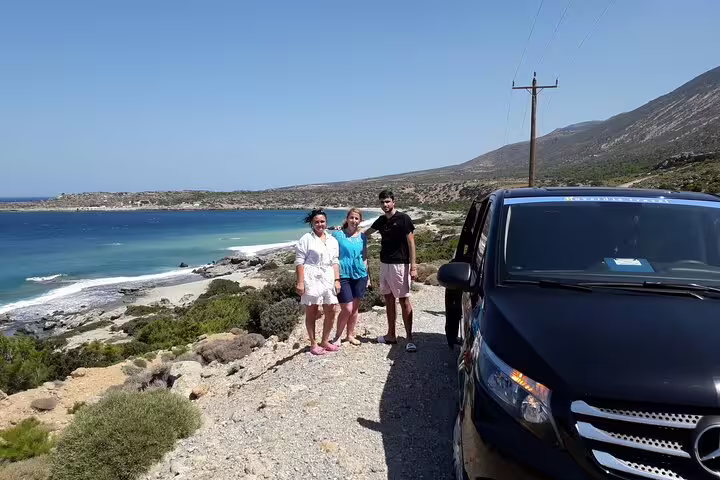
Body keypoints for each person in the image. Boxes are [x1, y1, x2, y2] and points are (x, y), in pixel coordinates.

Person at [364, 190, 418, 352]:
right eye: (382, 202)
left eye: (387, 201)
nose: (385, 205)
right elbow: (365, 234)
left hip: (400, 265)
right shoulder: (381, 220)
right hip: (384, 264)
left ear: (394, 201)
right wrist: (344, 233)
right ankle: (391, 335)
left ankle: (409, 338)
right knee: (388, 299)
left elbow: (411, 243)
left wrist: (413, 266)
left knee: (403, 300)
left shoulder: (403, 219)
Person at [295, 208, 341, 355]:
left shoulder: (332, 240)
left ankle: (325, 340)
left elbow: (335, 261)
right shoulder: (305, 239)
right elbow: (299, 262)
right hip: (311, 277)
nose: (320, 224)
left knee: (331, 310)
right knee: (312, 312)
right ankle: (313, 344)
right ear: (312, 223)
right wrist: (300, 282)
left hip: (328, 276)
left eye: (322, 221)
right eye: (317, 222)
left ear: (326, 223)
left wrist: (337, 280)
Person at [331, 208, 370, 346]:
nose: (354, 221)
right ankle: (337, 337)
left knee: (354, 308)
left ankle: (350, 335)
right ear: (347, 218)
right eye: (352, 218)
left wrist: (368, 276)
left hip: (360, 275)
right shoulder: (337, 235)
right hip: (343, 275)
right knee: (346, 308)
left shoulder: (362, 237)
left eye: (356, 218)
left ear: (360, 221)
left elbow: (364, 257)